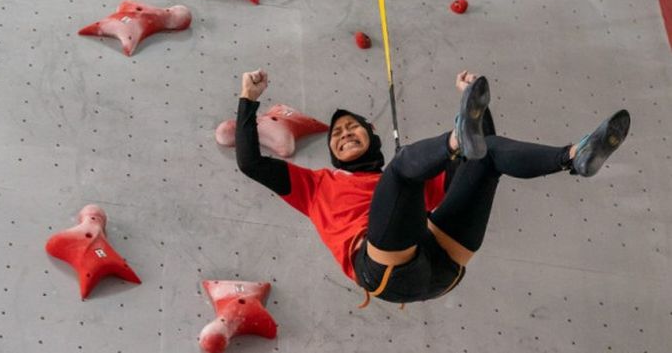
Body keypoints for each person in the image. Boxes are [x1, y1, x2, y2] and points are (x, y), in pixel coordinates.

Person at [234, 68, 631, 306]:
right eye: (337, 134)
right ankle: (456, 136)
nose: (344, 133)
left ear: (371, 136)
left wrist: (478, 105)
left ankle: (573, 157)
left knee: (486, 155)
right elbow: (251, 163)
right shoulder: (316, 184)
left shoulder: (411, 183)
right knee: (404, 167)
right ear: (334, 153)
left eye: (353, 126)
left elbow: (476, 159)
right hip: (384, 270)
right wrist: (247, 100)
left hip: (439, 264)